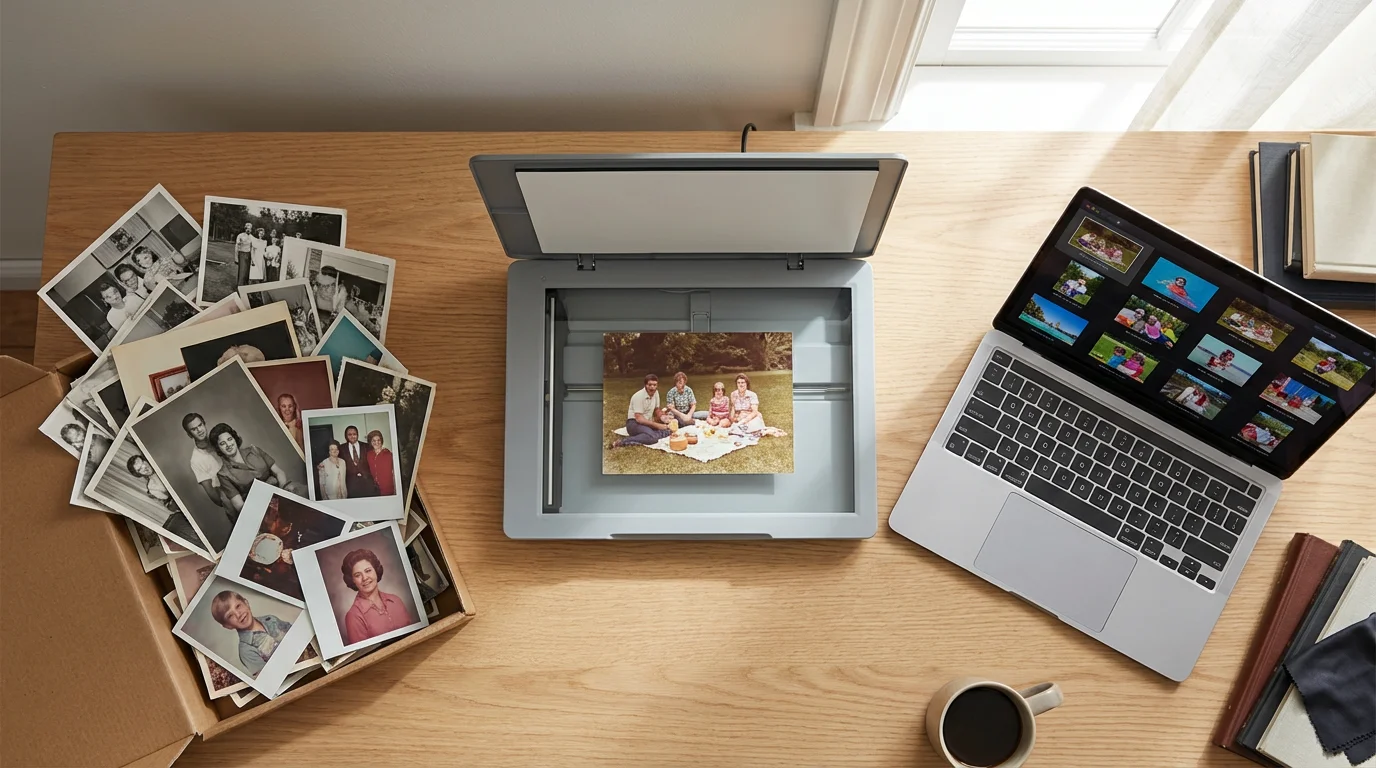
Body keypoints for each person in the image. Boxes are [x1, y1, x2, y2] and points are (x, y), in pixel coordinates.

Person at [209, 422, 305, 522]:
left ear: (235, 439)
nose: (228, 445)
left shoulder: (254, 450)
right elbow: (239, 505)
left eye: (229, 439)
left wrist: (282, 495)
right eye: (222, 444)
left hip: (280, 491)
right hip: (259, 507)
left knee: (303, 497)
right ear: (218, 448)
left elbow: (279, 472)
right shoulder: (223, 474)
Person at [341, 548, 416, 645]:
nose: (365, 578)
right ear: (353, 581)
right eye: (357, 575)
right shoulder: (353, 616)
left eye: (368, 571)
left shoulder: (396, 600)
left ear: (376, 570)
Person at [210, 590, 292, 676]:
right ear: (228, 626)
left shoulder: (271, 619)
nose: (238, 614)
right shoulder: (246, 651)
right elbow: (269, 676)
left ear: (246, 603)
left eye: (238, 606)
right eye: (230, 615)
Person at [125, 454, 201, 544]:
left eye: (143, 463)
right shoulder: (152, 487)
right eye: (139, 469)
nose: (144, 468)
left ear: (146, 460)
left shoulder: (163, 464)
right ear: (138, 474)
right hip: (188, 504)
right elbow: (171, 505)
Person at [610, 373, 671, 448]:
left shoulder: (656, 393)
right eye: (650, 385)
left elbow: (656, 410)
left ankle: (648, 434)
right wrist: (657, 425)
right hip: (634, 423)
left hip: (647, 423)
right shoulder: (638, 396)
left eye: (654, 385)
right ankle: (622, 442)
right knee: (653, 438)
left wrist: (662, 417)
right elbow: (639, 419)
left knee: (668, 430)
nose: (652, 387)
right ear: (645, 385)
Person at [182, 413, 225, 509]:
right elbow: (213, 495)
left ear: (204, 424)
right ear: (189, 435)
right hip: (229, 498)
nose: (199, 430)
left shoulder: (221, 440)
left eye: (200, 425)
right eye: (193, 429)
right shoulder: (196, 460)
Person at [340, 425, 378, 497]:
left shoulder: (367, 446)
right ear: (346, 436)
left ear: (357, 435)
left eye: (354, 434)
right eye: (349, 434)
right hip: (351, 484)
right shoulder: (341, 448)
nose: (352, 436)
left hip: (367, 482)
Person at [365, 430, 397, 496]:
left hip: (387, 489)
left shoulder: (389, 454)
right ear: (370, 442)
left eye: (378, 440)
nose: (376, 442)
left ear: (381, 441)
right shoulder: (369, 455)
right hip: (374, 489)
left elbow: (395, 473)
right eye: (373, 440)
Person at [234, 222, 255, 288]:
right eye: (247, 228)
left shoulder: (252, 237)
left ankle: (245, 288)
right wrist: (236, 257)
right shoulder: (240, 236)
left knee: (247, 273)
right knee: (242, 272)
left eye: (250, 229)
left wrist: (252, 260)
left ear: (251, 229)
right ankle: (239, 287)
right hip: (242, 254)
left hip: (248, 255)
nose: (248, 230)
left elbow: (252, 249)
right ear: (245, 229)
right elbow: (237, 246)